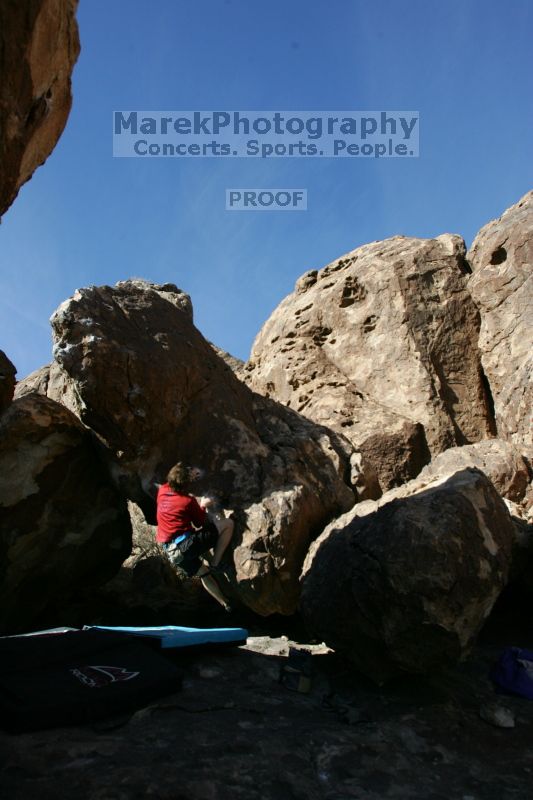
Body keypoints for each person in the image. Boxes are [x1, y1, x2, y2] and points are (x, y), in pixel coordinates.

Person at [155, 462, 234, 611]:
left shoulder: (162, 491)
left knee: (203, 574)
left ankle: (226, 604)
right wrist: (203, 505)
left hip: (170, 551)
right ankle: (216, 564)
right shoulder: (186, 501)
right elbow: (200, 523)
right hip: (185, 545)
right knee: (228, 524)